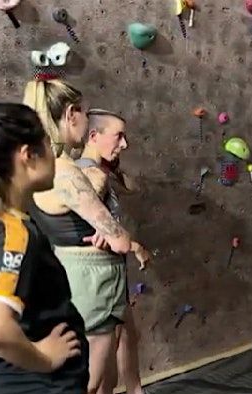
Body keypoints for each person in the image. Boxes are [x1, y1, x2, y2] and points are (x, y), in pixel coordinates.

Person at [22, 78, 138, 394]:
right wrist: (112, 235)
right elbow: (120, 241)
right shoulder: (66, 171)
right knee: (86, 383)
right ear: (72, 113)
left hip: (69, 273)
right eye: (84, 113)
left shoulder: (36, 166)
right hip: (92, 284)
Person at [0, 102, 88, 393]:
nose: (54, 153)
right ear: (28, 156)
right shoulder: (11, 234)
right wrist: (45, 360)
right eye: (48, 145)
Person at [79, 109, 151, 394]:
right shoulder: (87, 174)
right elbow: (90, 232)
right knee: (98, 369)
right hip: (99, 278)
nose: (125, 143)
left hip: (112, 272)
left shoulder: (101, 172)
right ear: (94, 136)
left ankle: (135, 391)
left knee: (127, 336)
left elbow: (133, 188)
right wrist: (133, 245)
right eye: (118, 136)